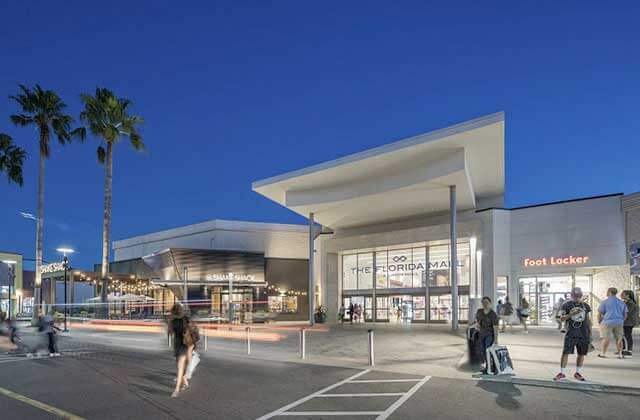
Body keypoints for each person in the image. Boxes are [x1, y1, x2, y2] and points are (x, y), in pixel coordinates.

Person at [554, 287, 591, 382]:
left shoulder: (586, 306)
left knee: (581, 354)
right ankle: (562, 372)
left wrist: (590, 335)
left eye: (579, 295)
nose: (577, 297)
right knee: (566, 352)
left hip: (584, 333)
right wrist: (570, 314)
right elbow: (561, 318)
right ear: (571, 295)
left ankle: (577, 372)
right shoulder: (566, 305)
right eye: (575, 295)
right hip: (571, 332)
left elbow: (588, 320)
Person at [168, 304, 196, 398]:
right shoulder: (182, 319)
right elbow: (171, 332)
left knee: (180, 367)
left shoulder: (176, 320)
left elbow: (170, 332)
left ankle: (176, 389)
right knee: (179, 367)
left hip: (182, 344)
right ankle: (185, 382)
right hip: (181, 344)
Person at [597, 287, 628, 359]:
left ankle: (603, 354)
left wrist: (599, 322)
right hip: (619, 322)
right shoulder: (621, 302)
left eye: (607, 291)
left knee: (606, 338)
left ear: (610, 292)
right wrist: (621, 321)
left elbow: (600, 313)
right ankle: (620, 354)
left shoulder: (605, 302)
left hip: (607, 322)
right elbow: (625, 315)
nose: (606, 293)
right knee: (619, 338)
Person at [475, 296, 499, 374]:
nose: (485, 304)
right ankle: (488, 366)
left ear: (490, 303)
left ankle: (490, 367)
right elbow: (478, 321)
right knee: (481, 350)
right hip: (481, 334)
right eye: (483, 302)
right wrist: (477, 325)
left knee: (487, 350)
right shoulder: (479, 312)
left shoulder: (493, 314)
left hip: (489, 335)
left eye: (486, 302)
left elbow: (495, 327)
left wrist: (495, 339)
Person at [621, 290, 638, 357]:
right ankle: (623, 349)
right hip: (625, 321)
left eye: (623, 294)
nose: (621, 295)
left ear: (628, 295)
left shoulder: (630, 303)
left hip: (629, 322)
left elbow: (626, 312)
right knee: (622, 335)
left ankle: (629, 350)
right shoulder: (625, 302)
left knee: (627, 335)